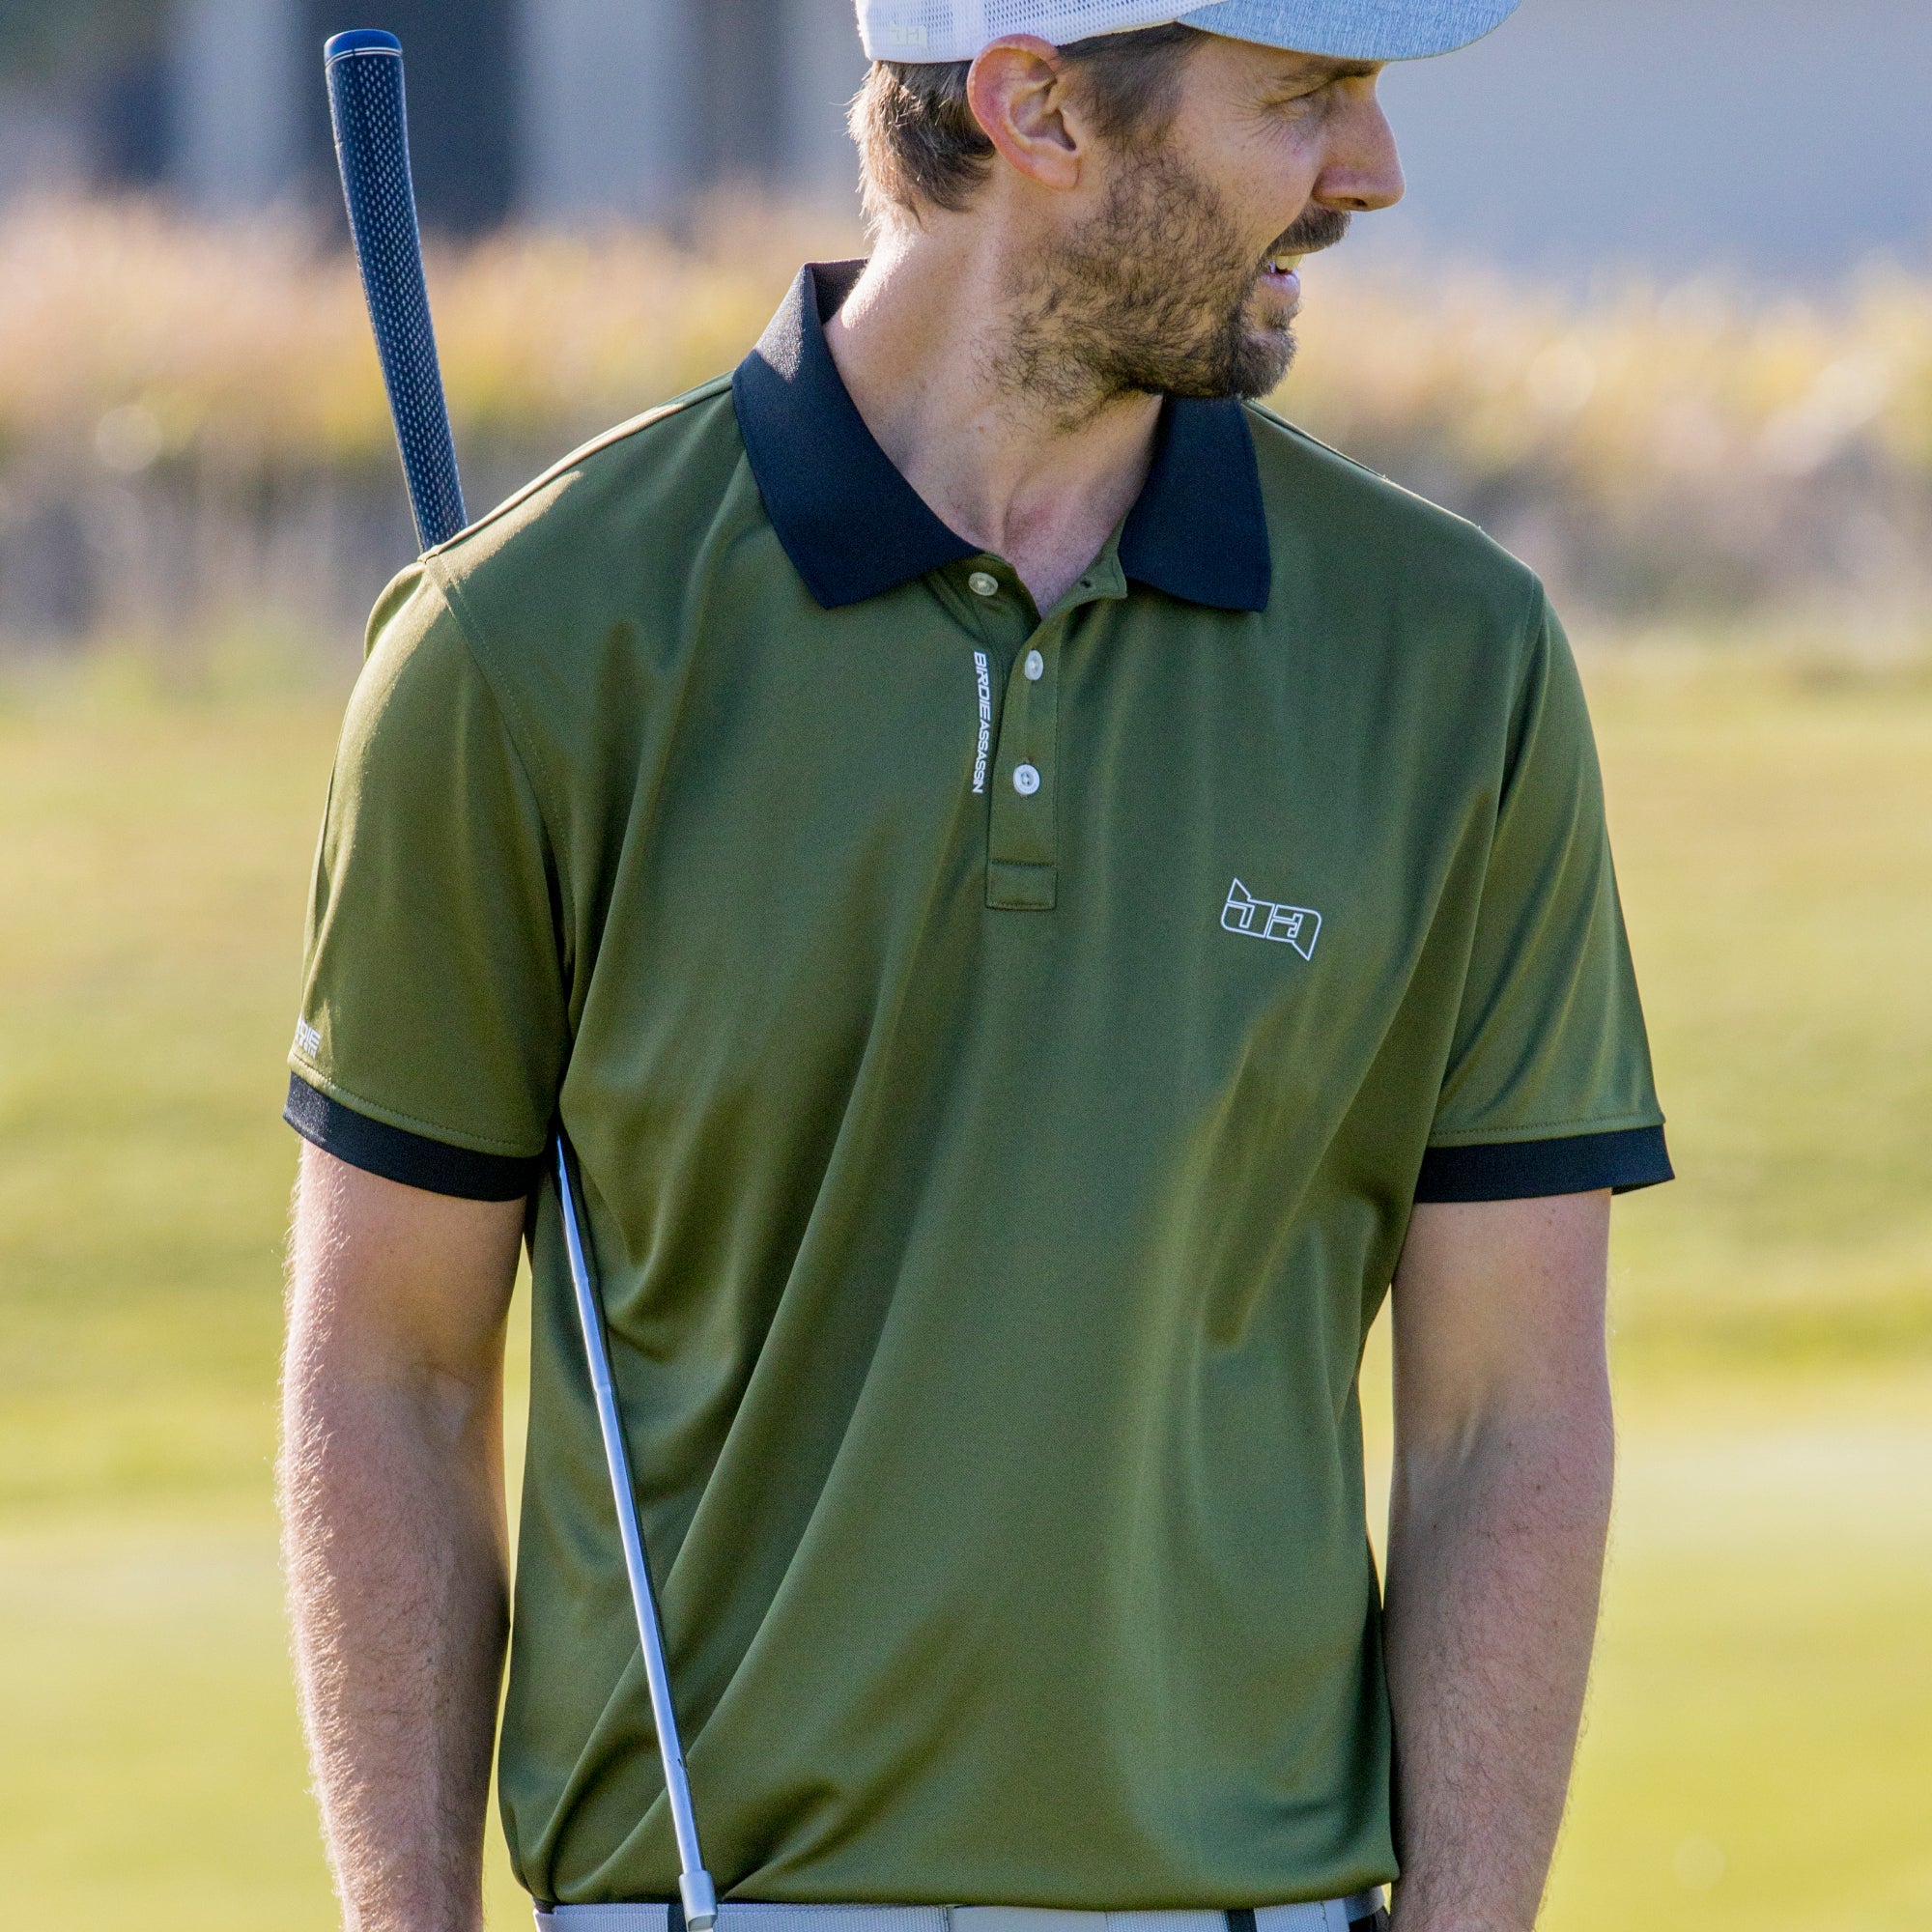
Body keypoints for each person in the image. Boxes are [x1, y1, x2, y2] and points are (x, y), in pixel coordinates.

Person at [279, 5, 1673, 1930]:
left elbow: (1501, 1406)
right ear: (1031, 105)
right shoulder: (523, 645)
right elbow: (390, 1369)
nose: (1371, 171)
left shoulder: (1454, 660)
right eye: (1301, 101)